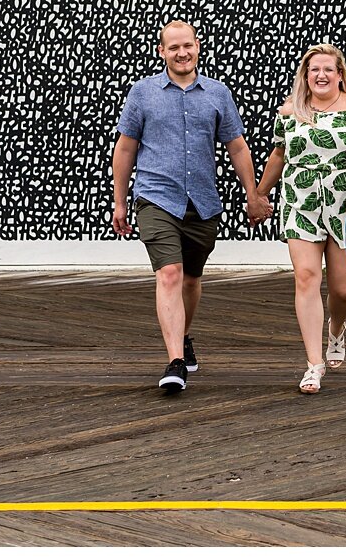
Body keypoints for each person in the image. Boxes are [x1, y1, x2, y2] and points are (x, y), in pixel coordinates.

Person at [112, 20, 263, 392]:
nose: (182, 53)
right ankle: (175, 361)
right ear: (162, 51)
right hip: (156, 197)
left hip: (202, 202)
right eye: (173, 47)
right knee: (170, 274)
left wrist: (254, 193)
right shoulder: (143, 93)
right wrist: (119, 202)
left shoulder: (217, 94)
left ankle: (185, 338)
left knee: (192, 280)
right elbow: (126, 148)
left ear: (197, 47)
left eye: (188, 46)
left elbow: (237, 146)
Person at [257, 43, 346, 394]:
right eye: (314, 69)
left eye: (329, 69)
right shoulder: (290, 112)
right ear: (305, 75)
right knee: (307, 277)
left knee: (343, 289)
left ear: (340, 74)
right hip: (300, 202)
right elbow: (279, 156)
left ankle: (337, 330)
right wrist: (260, 193)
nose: (321, 75)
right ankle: (314, 364)